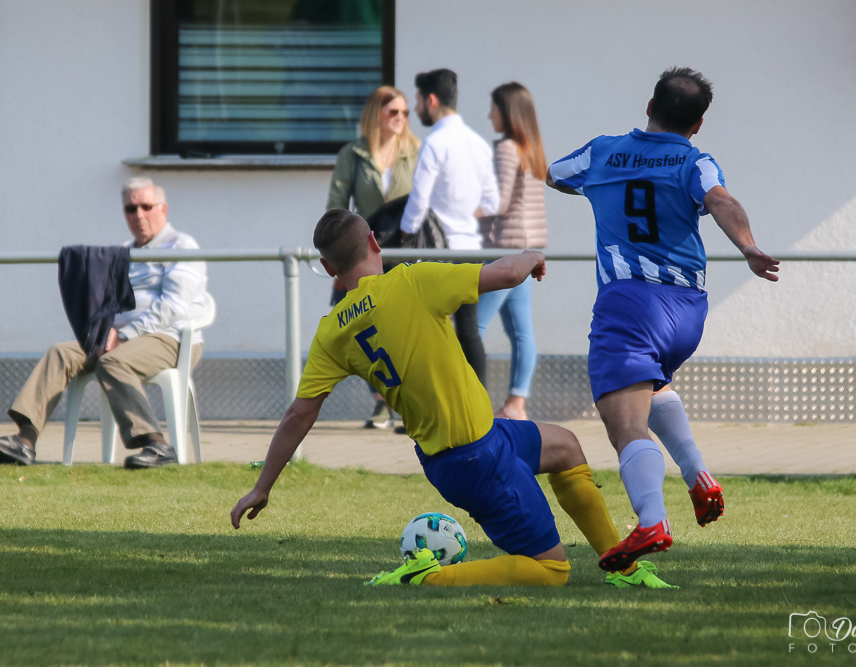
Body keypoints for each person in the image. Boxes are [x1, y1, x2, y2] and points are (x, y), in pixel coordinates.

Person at [230, 209, 672, 588]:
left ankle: (622, 567)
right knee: (552, 570)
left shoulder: (331, 333)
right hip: (475, 458)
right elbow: (503, 274)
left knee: (566, 447)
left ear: (328, 268)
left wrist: (262, 487)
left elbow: (298, 414)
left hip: (471, 444)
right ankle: (429, 577)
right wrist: (531, 255)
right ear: (372, 241)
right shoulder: (412, 281)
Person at [546, 67, 779, 571]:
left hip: (630, 303)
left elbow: (554, 175)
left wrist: (600, 187)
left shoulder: (602, 152)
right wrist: (749, 248)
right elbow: (720, 200)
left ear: (649, 106)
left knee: (623, 425)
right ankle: (698, 474)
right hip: (688, 311)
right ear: (697, 125)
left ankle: (652, 519)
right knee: (652, 389)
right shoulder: (697, 160)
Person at [0, 177, 210, 469]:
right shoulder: (123, 252)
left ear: (163, 208)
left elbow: (174, 306)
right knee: (61, 352)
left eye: (146, 206)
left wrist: (125, 336)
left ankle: (156, 445)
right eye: (130, 208)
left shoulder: (182, 246)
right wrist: (103, 329)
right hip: (118, 336)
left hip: (170, 338)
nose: (139, 215)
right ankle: (24, 440)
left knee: (112, 363)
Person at [327, 85, 422, 430]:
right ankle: (380, 401)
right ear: (375, 115)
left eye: (405, 113)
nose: (400, 119)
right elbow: (336, 207)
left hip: (405, 252)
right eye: (392, 112)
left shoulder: (416, 151)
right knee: (360, 325)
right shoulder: (351, 154)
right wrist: (338, 259)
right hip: (364, 253)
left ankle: (409, 404)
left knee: (404, 330)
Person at [399, 69, 500, 385]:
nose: (415, 109)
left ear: (431, 100)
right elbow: (493, 203)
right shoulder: (478, 144)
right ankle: (478, 407)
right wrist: (465, 216)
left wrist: (404, 233)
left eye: (416, 101)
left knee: (429, 328)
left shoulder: (434, 143)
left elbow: (419, 199)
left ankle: (436, 407)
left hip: (437, 252)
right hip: (470, 250)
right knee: (469, 330)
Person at [478, 82, 548, 421]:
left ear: (506, 112)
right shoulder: (532, 147)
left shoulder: (507, 148)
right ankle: (516, 405)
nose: (488, 115)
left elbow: (499, 201)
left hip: (505, 249)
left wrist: (468, 210)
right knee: (521, 331)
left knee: (472, 326)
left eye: (492, 108)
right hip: (526, 246)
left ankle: (466, 401)